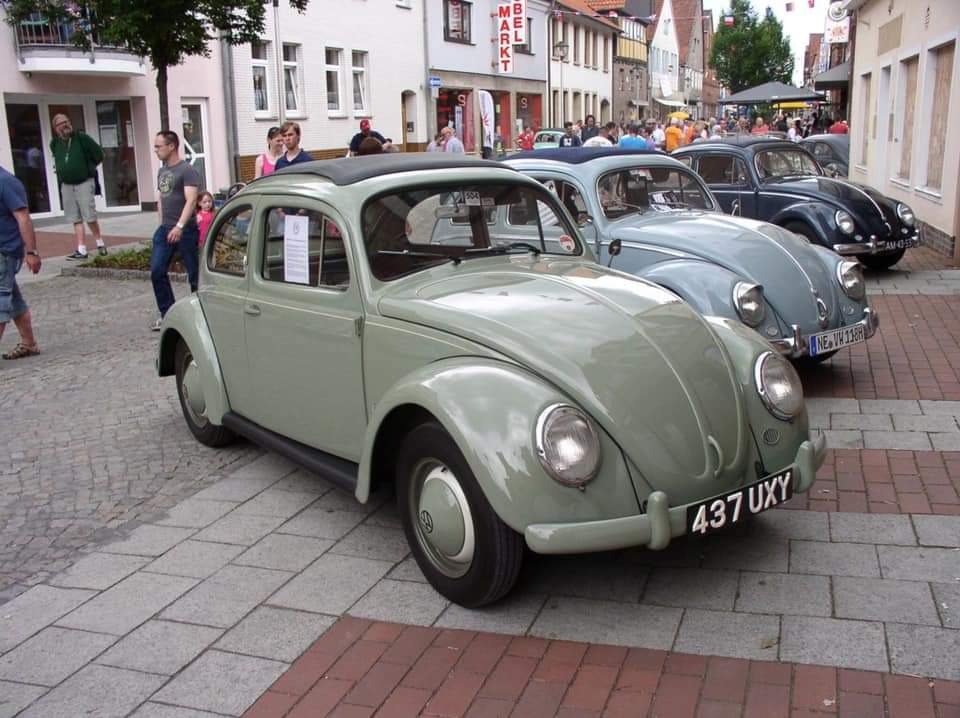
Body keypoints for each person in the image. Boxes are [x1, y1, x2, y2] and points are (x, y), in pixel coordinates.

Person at [151, 131, 200, 331]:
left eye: (158, 146)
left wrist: (180, 226)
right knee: (157, 271)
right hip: (165, 229)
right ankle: (168, 313)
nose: (156, 150)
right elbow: (161, 199)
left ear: (171, 146)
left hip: (185, 229)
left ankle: (200, 314)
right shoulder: (162, 171)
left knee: (194, 273)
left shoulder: (186, 170)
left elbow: (191, 200)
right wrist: (163, 223)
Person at [49, 114, 107, 260]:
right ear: (56, 128)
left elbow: (99, 155)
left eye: (66, 122)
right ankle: (81, 249)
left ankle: (100, 243)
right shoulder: (54, 143)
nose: (65, 125)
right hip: (67, 184)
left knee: (89, 215)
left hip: (84, 182)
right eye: (60, 124)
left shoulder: (82, 138)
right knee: (75, 217)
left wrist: (88, 168)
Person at [0, 166, 42, 360]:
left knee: (1, 300)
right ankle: (29, 343)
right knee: (13, 298)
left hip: (5, 251)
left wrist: (32, 252)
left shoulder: (6, 182)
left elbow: (23, 217)